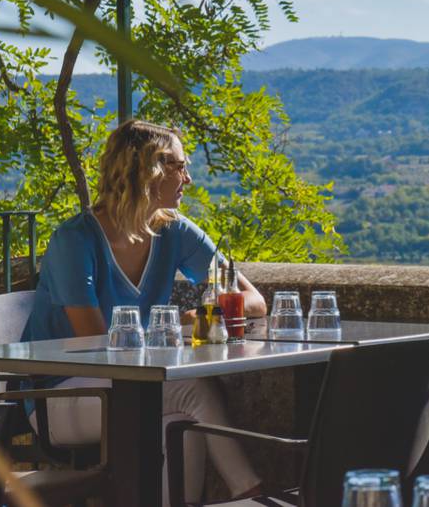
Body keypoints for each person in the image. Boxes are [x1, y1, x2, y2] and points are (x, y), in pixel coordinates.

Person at [22, 119, 267, 506]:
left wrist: (203, 313)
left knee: (180, 425)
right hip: (63, 394)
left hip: (137, 386)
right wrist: (175, 331)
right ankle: (251, 494)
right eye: (180, 167)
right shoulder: (76, 240)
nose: (188, 179)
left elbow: (253, 301)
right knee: (190, 390)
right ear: (149, 171)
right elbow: (97, 347)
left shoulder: (175, 231)